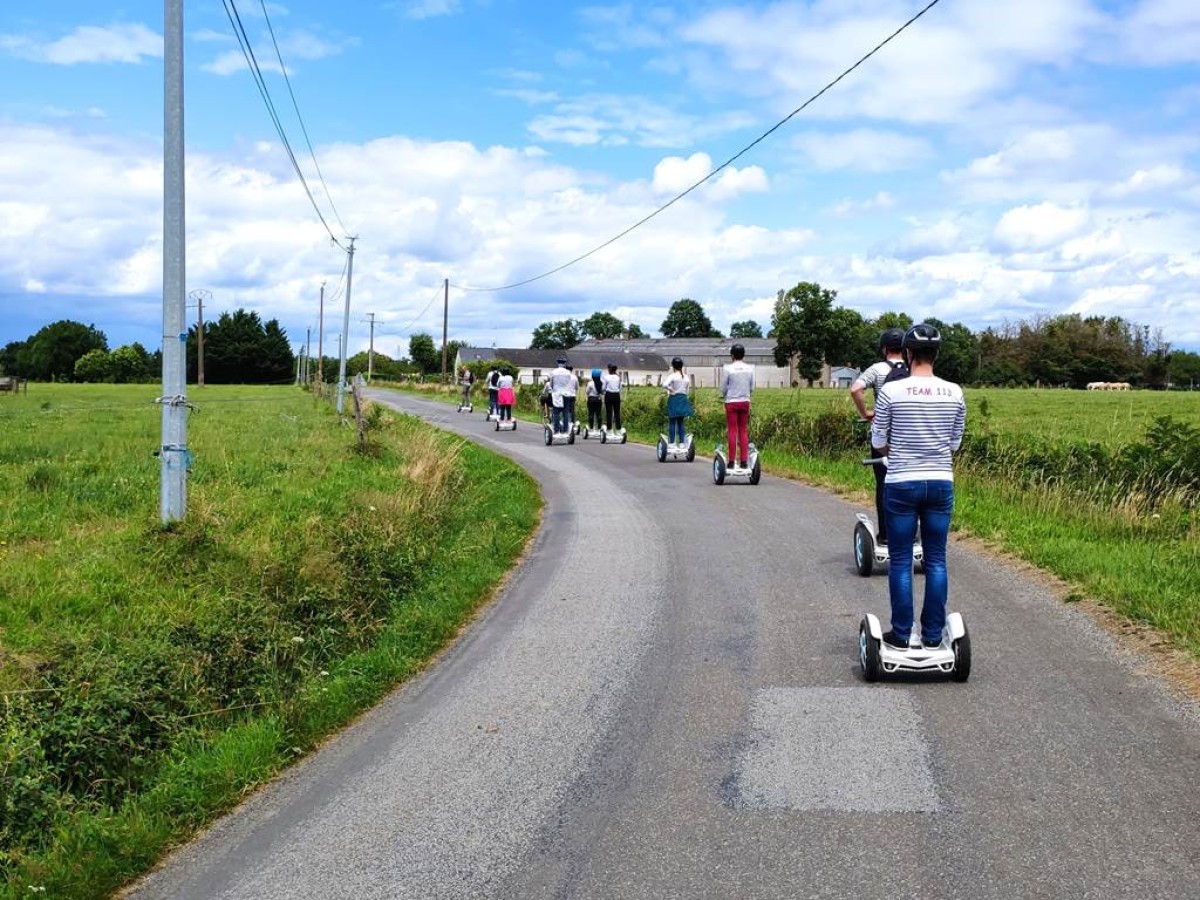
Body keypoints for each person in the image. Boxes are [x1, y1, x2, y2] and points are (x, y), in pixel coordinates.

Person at [870, 323, 966, 651]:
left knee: (900, 560)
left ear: (908, 354)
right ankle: (931, 635)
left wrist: (894, 452)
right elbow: (954, 443)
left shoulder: (891, 392)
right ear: (936, 354)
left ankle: (900, 634)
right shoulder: (955, 392)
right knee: (936, 560)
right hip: (940, 481)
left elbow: (879, 440)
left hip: (902, 482)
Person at [850, 327, 908, 545]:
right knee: (908, 481)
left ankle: (885, 535)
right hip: (908, 435)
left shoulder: (877, 369)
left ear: (884, 348)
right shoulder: (912, 369)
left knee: (883, 481)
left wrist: (866, 413)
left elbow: (855, 389)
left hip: (883, 435)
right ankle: (909, 534)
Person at [720, 343, 754, 468]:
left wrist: (725, 394)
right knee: (743, 430)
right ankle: (744, 461)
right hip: (745, 401)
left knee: (732, 430)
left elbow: (723, 387)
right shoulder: (750, 368)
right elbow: (752, 387)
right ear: (743, 354)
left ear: (732, 355)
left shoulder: (728, 368)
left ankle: (731, 460)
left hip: (731, 402)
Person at [664, 356, 692, 447]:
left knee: (672, 421)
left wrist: (671, 390)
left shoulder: (672, 376)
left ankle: (672, 443)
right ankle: (682, 443)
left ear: (673, 366)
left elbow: (664, 384)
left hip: (674, 398)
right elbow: (688, 391)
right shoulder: (686, 377)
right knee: (681, 421)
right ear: (681, 366)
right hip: (683, 398)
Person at [547, 356, 574, 434]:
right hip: (566, 393)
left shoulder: (553, 372)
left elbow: (551, 384)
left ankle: (557, 430)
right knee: (565, 412)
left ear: (558, 363)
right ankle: (565, 430)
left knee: (556, 413)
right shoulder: (568, 372)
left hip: (557, 394)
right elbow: (568, 382)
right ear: (565, 363)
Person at [601, 363, 623, 431]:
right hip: (616, 395)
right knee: (617, 412)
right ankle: (618, 428)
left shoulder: (606, 377)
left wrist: (602, 391)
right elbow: (620, 388)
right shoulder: (618, 377)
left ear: (610, 370)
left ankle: (609, 428)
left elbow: (603, 388)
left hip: (609, 395)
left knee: (609, 412)